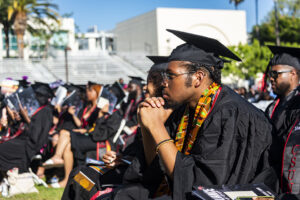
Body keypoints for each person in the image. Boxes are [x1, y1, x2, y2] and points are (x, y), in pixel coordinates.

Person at [113, 30, 276, 200]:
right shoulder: (184, 109)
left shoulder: (230, 114)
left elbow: (200, 184)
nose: (163, 83)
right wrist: (147, 127)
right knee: (121, 194)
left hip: (217, 194)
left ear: (198, 78)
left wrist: (156, 127)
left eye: (170, 76)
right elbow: (156, 169)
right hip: (179, 187)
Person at [61, 56, 169, 200]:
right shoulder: (146, 112)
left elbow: (99, 136)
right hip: (131, 168)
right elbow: (137, 147)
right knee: (78, 174)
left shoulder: (117, 114)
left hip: (143, 179)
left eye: (150, 83)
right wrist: (121, 158)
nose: (145, 88)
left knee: (86, 181)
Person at [43, 82, 101, 188]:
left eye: (90, 90)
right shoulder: (87, 107)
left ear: (96, 92)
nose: (87, 92)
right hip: (83, 134)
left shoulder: (99, 108)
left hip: (93, 137)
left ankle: (57, 158)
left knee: (65, 133)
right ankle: (66, 178)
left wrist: (75, 117)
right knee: (67, 145)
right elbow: (82, 125)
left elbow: (93, 127)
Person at [264, 46, 300, 196]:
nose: (271, 78)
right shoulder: (273, 106)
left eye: (275, 74)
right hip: (272, 181)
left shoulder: (297, 106)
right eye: (270, 74)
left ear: (292, 74)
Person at [0, 82, 54, 173]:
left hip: (30, 145)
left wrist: (25, 117)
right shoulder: (37, 109)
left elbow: (35, 134)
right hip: (24, 140)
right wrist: (19, 119)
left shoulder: (45, 111)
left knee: (2, 149)